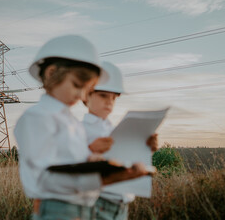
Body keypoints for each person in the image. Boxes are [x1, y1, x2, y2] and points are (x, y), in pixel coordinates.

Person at [14, 35, 149, 220]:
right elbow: (43, 179)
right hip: (58, 210)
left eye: (86, 88)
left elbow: (70, 165)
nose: (81, 95)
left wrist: (92, 161)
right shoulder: (37, 117)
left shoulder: (72, 123)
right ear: (51, 73)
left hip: (84, 209)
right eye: (77, 85)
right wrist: (106, 178)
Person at [82, 61, 158, 220]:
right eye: (103, 95)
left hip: (122, 205)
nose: (109, 101)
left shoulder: (116, 130)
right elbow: (67, 162)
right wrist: (89, 149)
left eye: (114, 97)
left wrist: (145, 147)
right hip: (97, 202)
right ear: (86, 95)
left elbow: (126, 158)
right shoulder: (78, 129)